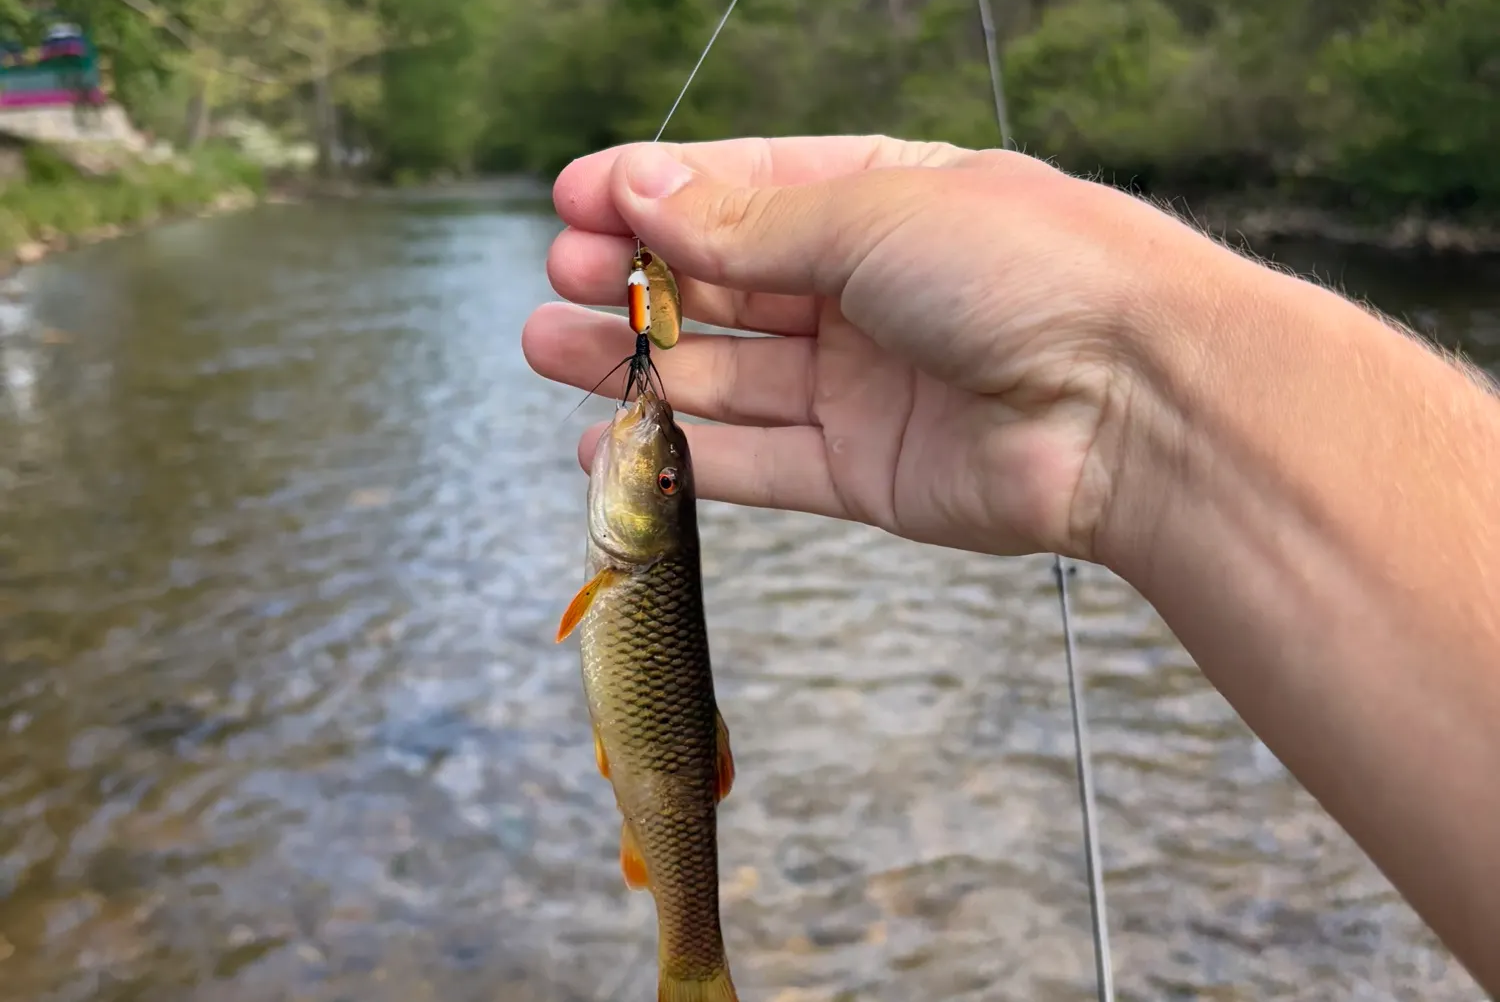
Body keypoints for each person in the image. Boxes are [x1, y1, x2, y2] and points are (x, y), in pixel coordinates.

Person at [522, 135, 1500, 996]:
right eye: (663, 480)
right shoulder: (635, 553)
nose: (648, 460)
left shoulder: (625, 557)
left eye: (660, 479)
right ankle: (693, 958)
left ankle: (694, 969)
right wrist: (1124, 398)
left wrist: (1119, 383)